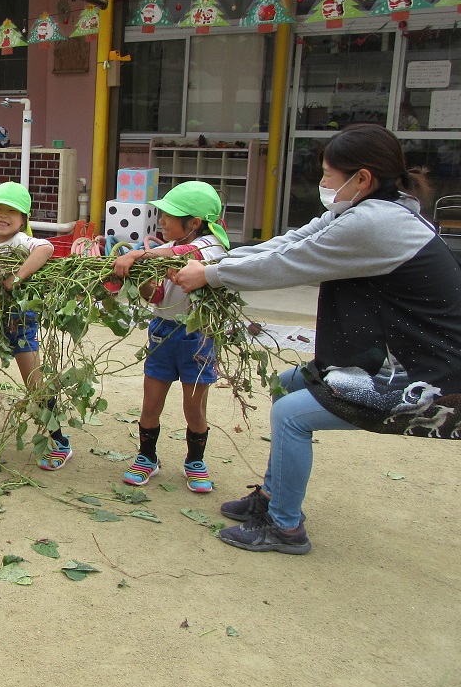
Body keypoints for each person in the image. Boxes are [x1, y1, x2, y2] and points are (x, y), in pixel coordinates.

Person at [172, 123, 461, 555]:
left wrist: (212, 274)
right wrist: (214, 262)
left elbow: (292, 262)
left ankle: (284, 527)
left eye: (328, 174)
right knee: (286, 385)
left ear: (361, 178)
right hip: (392, 357)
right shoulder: (366, 209)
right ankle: (272, 496)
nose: (323, 183)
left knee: (291, 415)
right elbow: (291, 241)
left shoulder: (376, 223)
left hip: (431, 378)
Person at [111, 181, 231, 493]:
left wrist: (137, 254)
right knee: (150, 404)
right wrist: (139, 281)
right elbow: (158, 296)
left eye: (169, 216)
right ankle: (146, 457)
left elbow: (182, 253)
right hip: (163, 332)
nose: (161, 221)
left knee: (194, 409)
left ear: (195, 223)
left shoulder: (211, 247)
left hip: (197, 336)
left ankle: (195, 461)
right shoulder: (168, 250)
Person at [0, 182, 73, 469]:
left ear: (23, 220)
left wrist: (17, 277)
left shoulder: (22, 242)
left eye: (12, 212)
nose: (3, 216)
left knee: (36, 387)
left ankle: (60, 442)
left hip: (19, 325)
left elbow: (46, 248)